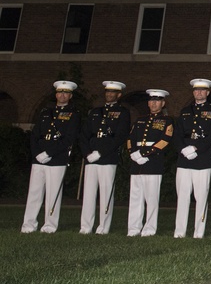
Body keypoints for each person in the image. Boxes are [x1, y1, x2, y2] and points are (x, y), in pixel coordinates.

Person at [22, 80, 81, 233]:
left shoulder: (73, 114)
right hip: (39, 158)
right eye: (60, 92)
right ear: (56, 94)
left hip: (57, 159)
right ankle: (28, 225)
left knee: (53, 194)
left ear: (70, 96)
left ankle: (49, 225)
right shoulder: (45, 112)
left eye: (66, 93)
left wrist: (49, 153)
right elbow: (35, 135)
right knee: (34, 193)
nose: (62, 95)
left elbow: (69, 139)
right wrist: (37, 154)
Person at [79, 80, 131, 235]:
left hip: (107, 158)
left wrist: (100, 153)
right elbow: (84, 135)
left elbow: (120, 136)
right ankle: (86, 226)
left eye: (113, 92)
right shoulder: (95, 112)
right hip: (90, 158)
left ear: (119, 95)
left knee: (106, 194)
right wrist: (87, 153)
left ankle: (103, 227)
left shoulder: (123, 112)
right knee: (88, 194)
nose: (109, 94)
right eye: (107, 92)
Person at [174, 78, 211, 238]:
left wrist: (196, 147)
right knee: (182, 196)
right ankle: (179, 231)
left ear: (207, 93)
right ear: (193, 92)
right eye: (196, 90)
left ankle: (198, 232)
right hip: (184, 159)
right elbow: (178, 133)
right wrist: (183, 149)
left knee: (201, 197)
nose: (199, 93)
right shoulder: (185, 111)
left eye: (202, 90)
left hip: (202, 158)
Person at [126, 89, 174, 237]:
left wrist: (146, 154)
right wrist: (133, 153)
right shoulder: (140, 119)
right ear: (148, 103)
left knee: (151, 199)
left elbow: (165, 140)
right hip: (137, 163)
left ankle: (149, 229)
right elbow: (130, 138)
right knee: (135, 198)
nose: (154, 103)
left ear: (163, 103)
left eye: (157, 101)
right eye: (152, 101)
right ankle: (133, 229)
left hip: (153, 162)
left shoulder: (167, 121)